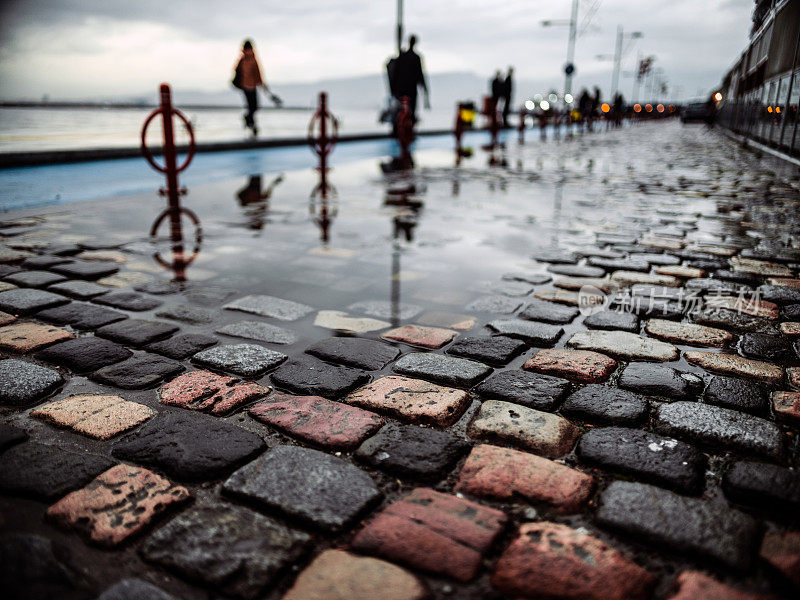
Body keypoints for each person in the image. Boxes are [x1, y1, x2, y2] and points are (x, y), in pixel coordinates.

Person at [233, 39, 281, 137]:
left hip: (244, 87)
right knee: (254, 107)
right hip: (251, 86)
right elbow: (258, 73)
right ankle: (249, 121)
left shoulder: (242, 59)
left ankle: (251, 124)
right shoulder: (252, 59)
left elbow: (235, 70)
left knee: (251, 107)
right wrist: (262, 84)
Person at [392, 35, 430, 122]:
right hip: (410, 89)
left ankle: (406, 128)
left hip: (403, 89)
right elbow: (420, 74)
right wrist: (424, 88)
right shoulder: (415, 58)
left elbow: (396, 73)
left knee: (405, 110)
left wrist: (394, 89)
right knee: (409, 111)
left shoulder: (404, 56)